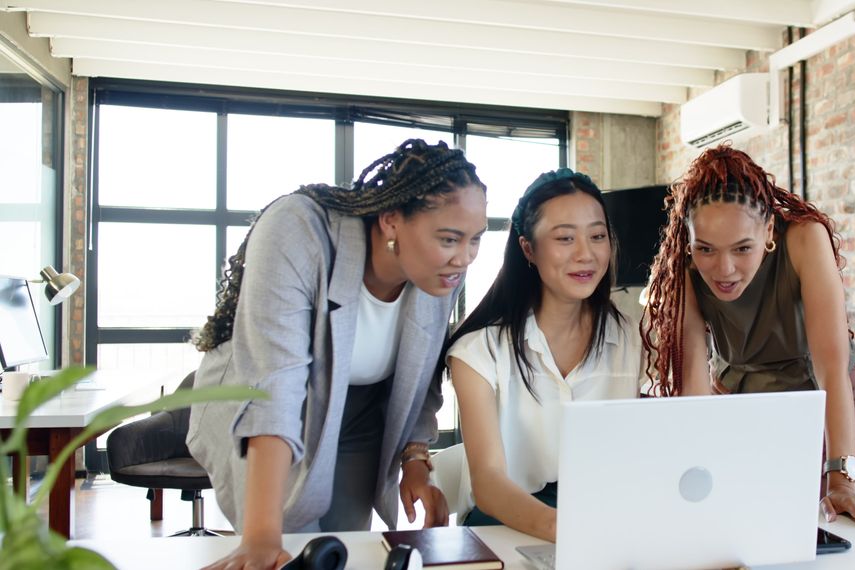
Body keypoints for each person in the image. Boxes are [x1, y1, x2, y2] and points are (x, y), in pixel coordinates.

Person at [187, 139, 488, 569]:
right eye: (450, 238)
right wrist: (260, 536)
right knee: (285, 544)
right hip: (264, 408)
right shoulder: (297, 231)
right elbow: (275, 386)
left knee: (341, 549)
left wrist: (416, 461)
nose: (464, 258)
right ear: (390, 221)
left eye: (475, 240)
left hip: (359, 414)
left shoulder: (439, 273)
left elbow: (422, 375)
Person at [640, 145, 855, 531]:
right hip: (735, 400)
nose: (724, 269)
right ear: (689, 240)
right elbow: (694, 378)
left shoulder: (804, 239)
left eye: (742, 249)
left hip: (817, 402)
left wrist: (840, 480)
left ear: (768, 231)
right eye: (706, 250)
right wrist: (692, 469)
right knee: (729, 522)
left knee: (818, 528)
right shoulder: (684, 266)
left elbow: (832, 368)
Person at [441, 169, 647, 542]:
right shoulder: (478, 352)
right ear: (528, 249)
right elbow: (489, 482)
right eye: (565, 238)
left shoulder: (639, 341)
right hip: (505, 527)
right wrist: (569, 531)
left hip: (611, 521)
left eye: (597, 236)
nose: (586, 254)